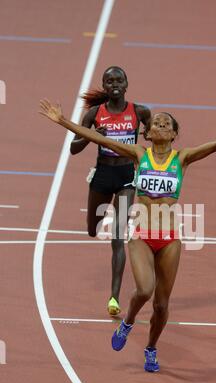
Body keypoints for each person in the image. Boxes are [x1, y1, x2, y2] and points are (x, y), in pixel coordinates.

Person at [39, 98, 216, 372]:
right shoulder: (139, 154)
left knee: (162, 305)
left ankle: (151, 348)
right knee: (145, 289)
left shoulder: (182, 158)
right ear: (147, 133)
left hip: (170, 237)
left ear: (174, 134)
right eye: (156, 123)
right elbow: (94, 137)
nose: (161, 124)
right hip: (141, 233)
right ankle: (128, 322)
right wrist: (64, 121)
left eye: (167, 123)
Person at [70, 66, 150, 315]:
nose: (115, 84)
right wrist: (92, 136)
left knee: (118, 236)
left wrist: (150, 134)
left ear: (127, 84)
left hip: (127, 177)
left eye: (119, 80)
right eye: (109, 81)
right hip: (103, 176)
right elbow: (74, 148)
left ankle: (114, 298)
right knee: (92, 230)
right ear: (104, 87)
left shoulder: (139, 112)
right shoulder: (94, 114)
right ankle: (94, 225)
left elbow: (153, 133)